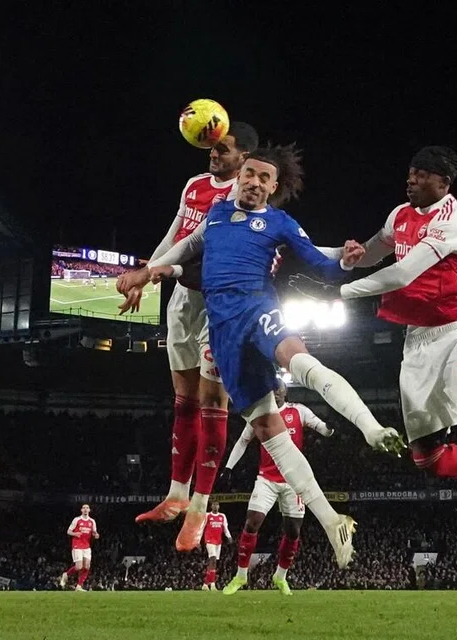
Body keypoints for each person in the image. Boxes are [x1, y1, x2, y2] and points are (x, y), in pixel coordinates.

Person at [121, 144, 402, 567]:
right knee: (270, 430)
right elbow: (183, 250)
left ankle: (372, 428)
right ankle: (331, 522)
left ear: (274, 187)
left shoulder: (279, 223)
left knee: (300, 361)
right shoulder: (215, 214)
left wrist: (345, 260)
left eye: (263, 178)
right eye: (249, 174)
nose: (253, 182)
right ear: (241, 176)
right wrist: (149, 272)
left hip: (258, 309)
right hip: (223, 333)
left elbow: (320, 265)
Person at [295, 146, 457, 574]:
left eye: (420, 176)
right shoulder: (400, 214)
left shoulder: (450, 222)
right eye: (410, 173)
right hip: (418, 341)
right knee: (426, 458)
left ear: (443, 183)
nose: (411, 181)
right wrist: (346, 258)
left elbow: (401, 274)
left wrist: (337, 293)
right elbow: (378, 249)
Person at [123, 123, 260, 552]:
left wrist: (161, 269)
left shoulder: (245, 196)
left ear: (244, 158)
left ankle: (201, 506)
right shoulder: (195, 185)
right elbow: (176, 234)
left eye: (222, 149)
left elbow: (214, 254)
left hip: (219, 304)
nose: (212, 154)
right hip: (182, 299)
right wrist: (148, 275)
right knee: (182, 401)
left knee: (212, 402)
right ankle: (176, 494)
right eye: (212, 148)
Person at [221, 379, 333, 595]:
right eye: (272, 390)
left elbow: (323, 429)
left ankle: (280, 576)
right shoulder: (260, 413)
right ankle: (241, 576)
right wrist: (229, 467)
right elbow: (243, 441)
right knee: (252, 522)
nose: (276, 393)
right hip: (266, 479)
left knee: (293, 531)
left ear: (285, 392)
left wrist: (330, 426)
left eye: (279, 390)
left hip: (293, 481)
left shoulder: (298, 412)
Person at [60, 504, 99, 591]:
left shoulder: (92, 521)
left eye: (87, 508)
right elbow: (68, 531)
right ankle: (66, 574)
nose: (85, 509)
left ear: (89, 510)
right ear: (81, 510)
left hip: (86, 546)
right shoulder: (77, 519)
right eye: (84, 508)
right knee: (78, 567)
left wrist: (96, 535)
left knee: (87, 566)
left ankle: (79, 586)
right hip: (77, 545)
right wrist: (75, 534)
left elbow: (94, 533)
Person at [201, 501, 232, 591]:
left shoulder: (222, 516)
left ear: (219, 506)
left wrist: (229, 537)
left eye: (217, 505)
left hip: (218, 541)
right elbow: (202, 527)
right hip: (209, 540)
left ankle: (206, 584)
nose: (215, 506)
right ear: (211, 506)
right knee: (213, 559)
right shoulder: (207, 515)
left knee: (213, 563)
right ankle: (213, 584)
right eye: (214, 505)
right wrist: (198, 540)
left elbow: (225, 528)